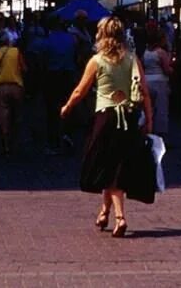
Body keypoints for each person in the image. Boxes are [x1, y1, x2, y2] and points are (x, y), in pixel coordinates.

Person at [61, 16, 155, 238]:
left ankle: (120, 217)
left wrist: (67, 107)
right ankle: (104, 212)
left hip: (106, 118)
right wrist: (149, 120)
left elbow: (80, 91)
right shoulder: (132, 59)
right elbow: (145, 92)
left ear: (101, 34)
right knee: (114, 166)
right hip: (130, 117)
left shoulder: (97, 60)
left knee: (108, 166)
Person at [39, 17, 80, 154]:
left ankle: (53, 142)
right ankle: (67, 135)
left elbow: (43, 61)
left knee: (51, 110)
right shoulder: (72, 39)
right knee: (68, 106)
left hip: (52, 76)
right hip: (68, 75)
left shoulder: (47, 41)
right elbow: (77, 56)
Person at [0, 31, 26, 155]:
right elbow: (25, 68)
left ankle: (5, 145)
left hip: (0, 87)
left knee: (3, 117)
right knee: (16, 115)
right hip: (16, 86)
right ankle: (15, 139)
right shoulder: (16, 51)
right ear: (9, 41)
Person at [141, 23, 174, 138]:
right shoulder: (161, 52)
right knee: (161, 108)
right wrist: (172, 69)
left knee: (148, 108)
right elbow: (166, 69)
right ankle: (160, 132)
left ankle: (146, 129)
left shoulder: (146, 52)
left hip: (147, 80)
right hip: (159, 81)